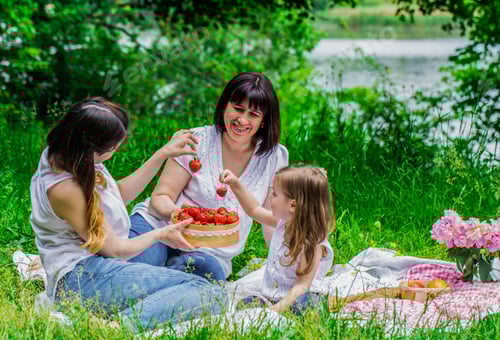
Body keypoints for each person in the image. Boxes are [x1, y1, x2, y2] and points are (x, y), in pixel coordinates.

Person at [29, 97, 225, 331]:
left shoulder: (72, 154)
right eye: (114, 146)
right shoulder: (65, 189)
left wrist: (162, 154)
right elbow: (114, 248)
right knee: (210, 294)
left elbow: (117, 194)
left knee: (209, 269)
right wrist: (161, 234)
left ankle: (163, 288)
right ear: (91, 147)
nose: (118, 148)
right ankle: (115, 327)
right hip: (82, 277)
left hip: (108, 259)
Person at [130, 72, 289, 282]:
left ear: (263, 121)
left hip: (212, 250)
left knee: (203, 274)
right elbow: (160, 199)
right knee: (130, 265)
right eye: (238, 109)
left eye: (253, 114)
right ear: (224, 106)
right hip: (159, 227)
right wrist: (184, 217)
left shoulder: (274, 156)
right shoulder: (196, 141)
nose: (242, 120)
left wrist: (283, 263)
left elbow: (271, 219)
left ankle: (158, 283)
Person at [220, 165, 334, 314]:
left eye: (274, 194)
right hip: (273, 296)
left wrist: (276, 310)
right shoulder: (283, 223)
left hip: (299, 296)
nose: (270, 198)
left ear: (292, 205)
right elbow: (254, 210)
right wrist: (235, 184)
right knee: (246, 304)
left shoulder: (311, 244)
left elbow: (302, 286)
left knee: (306, 306)